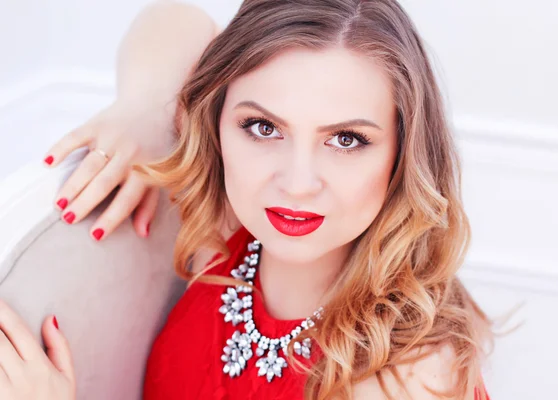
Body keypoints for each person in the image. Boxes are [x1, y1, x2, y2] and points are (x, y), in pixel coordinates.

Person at [0, 0, 492, 399]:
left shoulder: (403, 375)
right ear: (217, 123)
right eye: (263, 127)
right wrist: (144, 114)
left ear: (402, 155)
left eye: (345, 139)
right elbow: (176, 19)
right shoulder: (222, 236)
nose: (297, 183)